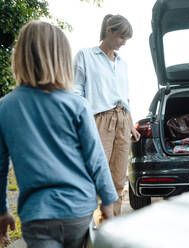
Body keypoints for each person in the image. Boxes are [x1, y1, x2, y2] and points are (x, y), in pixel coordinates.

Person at [0, 21, 118, 247]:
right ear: (62, 60)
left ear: (19, 56)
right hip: (79, 211)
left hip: (38, 215)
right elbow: (96, 159)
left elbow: (0, 168)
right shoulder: (77, 105)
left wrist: (2, 211)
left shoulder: (4, 108)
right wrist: (108, 202)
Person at [73, 14, 140, 216]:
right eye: (121, 37)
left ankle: (112, 226)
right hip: (98, 120)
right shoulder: (85, 55)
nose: (123, 43)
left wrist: (130, 124)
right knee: (93, 175)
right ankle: (84, 228)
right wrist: (84, 122)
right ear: (109, 31)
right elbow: (76, 90)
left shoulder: (123, 64)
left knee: (118, 179)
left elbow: (124, 98)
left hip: (122, 120)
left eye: (126, 40)